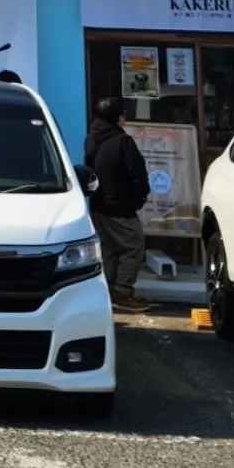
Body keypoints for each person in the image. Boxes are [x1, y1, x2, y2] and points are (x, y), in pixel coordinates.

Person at [84, 98, 153, 312]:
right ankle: (123, 292)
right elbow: (138, 175)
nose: (124, 118)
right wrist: (137, 198)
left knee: (110, 248)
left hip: (98, 205)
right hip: (120, 207)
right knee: (133, 246)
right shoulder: (122, 142)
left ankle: (107, 290)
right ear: (116, 117)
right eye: (122, 114)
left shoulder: (91, 139)